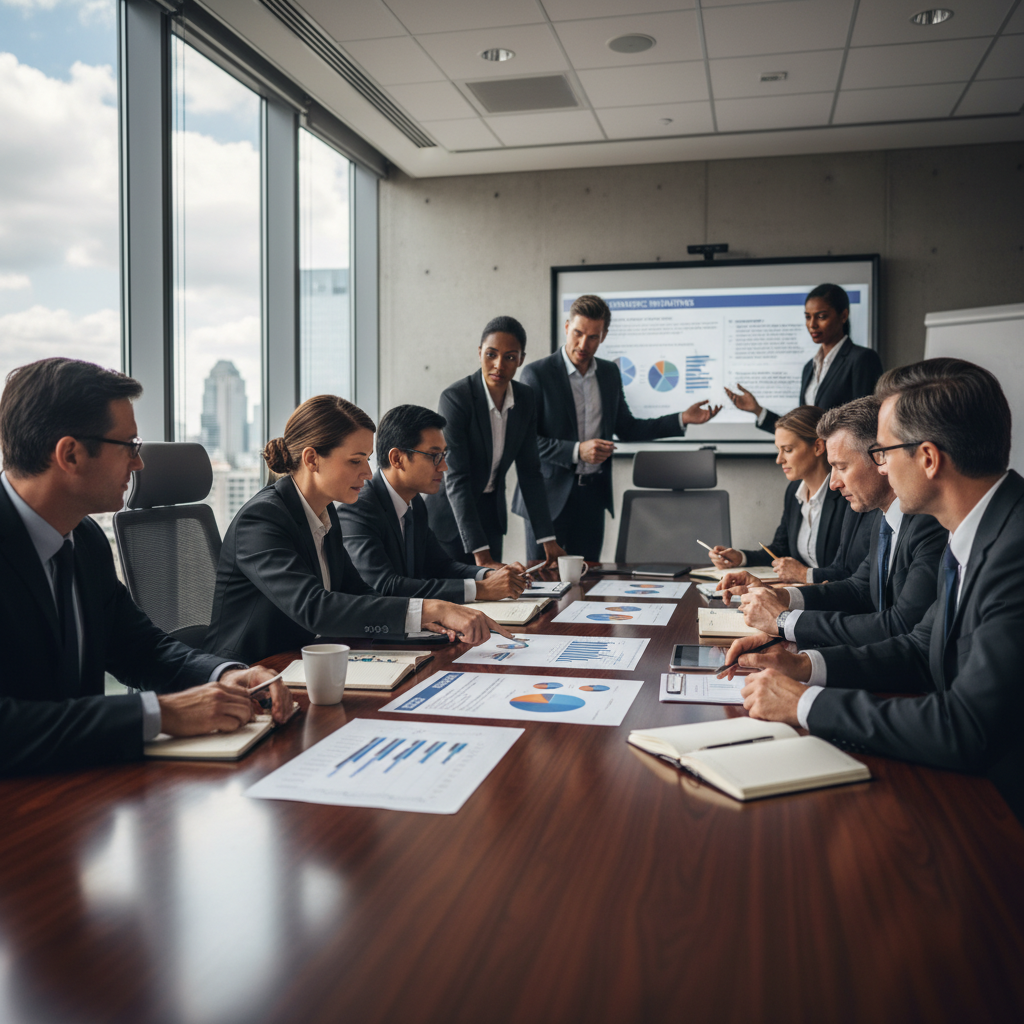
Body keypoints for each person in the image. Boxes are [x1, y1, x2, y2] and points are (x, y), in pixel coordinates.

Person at [722, 358, 1024, 821]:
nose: (878, 467)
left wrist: (805, 703)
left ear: (926, 458)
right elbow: (920, 647)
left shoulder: (1014, 550)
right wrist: (803, 664)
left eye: (882, 451)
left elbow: (968, 727)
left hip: (998, 815)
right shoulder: (977, 529)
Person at [0, 358, 292, 775]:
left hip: (79, 790)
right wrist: (159, 715)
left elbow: (140, 648)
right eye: (130, 446)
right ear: (71, 454)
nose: (138, 464)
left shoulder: (84, 540)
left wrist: (224, 674)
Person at [205, 395, 510, 666]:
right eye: (355, 461)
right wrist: (431, 608)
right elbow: (315, 608)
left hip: (306, 660)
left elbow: (359, 591)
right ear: (312, 459)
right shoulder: (262, 518)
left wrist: (419, 621)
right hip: (251, 673)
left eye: (367, 459)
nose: (367, 472)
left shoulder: (325, 511)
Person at [722, 396, 946, 648]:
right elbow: (858, 589)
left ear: (881, 456)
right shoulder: (884, 518)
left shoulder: (927, 522)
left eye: (841, 467)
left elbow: (901, 626)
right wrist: (780, 596)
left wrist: (783, 620)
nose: (834, 483)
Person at [513, 294, 721, 561]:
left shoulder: (609, 373)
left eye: (593, 337)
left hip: (592, 498)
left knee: (587, 582)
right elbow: (525, 440)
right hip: (546, 500)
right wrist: (577, 451)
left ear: (604, 336)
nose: (583, 344)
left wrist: (682, 418)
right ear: (567, 327)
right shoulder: (536, 374)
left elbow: (628, 428)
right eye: (577, 333)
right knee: (543, 585)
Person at [339, 405, 527, 602]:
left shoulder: (416, 503)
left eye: (444, 455)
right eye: (434, 456)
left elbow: (441, 566)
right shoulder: (358, 509)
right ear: (397, 459)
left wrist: (489, 575)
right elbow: (385, 586)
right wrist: (480, 589)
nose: (444, 467)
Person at [425, 316, 566, 570]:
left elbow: (530, 473)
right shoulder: (456, 399)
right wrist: (483, 558)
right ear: (479, 353)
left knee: (494, 603)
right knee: (457, 600)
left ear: (521, 359)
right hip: (452, 520)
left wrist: (548, 539)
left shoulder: (525, 399)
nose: (498, 365)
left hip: (490, 517)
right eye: (491, 354)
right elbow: (457, 478)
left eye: (510, 357)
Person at [708, 406, 847, 582]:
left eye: (787, 450)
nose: (779, 459)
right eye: (778, 450)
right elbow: (781, 550)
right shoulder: (794, 491)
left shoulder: (846, 495)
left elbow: (849, 571)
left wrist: (805, 575)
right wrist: (741, 558)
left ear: (818, 447)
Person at [725, 283, 883, 434]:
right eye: (808, 317)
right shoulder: (809, 368)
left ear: (843, 315)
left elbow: (867, 423)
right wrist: (757, 410)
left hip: (843, 460)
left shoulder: (862, 359)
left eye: (821, 316)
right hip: (815, 460)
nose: (812, 324)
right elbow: (803, 430)